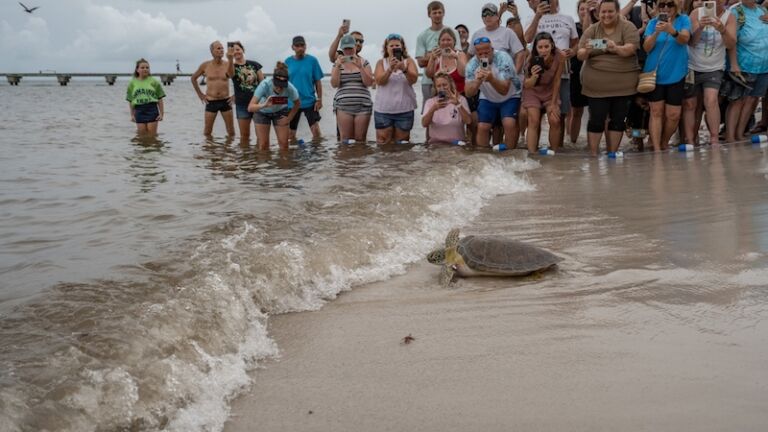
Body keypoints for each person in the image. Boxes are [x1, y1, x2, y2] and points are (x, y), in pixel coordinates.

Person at [577, 0, 641, 156]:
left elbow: (631, 49)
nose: (606, 15)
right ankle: (593, 154)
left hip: (623, 83)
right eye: (603, 12)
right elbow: (580, 53)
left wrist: (615, 47)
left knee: (618, 120)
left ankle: (612, 153)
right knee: (596, 120)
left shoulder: (628, 27)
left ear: (617, 11)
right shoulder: (592, 30)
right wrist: (586, 51)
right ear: (598, 13)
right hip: (596, 86)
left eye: (610, 11)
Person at [524, 0, 579, 148]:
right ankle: (533, 152)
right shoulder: (532, 18)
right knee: (534, 118)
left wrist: (572, 52)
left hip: (561, 69)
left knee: (557, 116)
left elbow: (576, 42)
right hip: (536, 74)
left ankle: (556, 154)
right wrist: (537, 16)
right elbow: (527, 39)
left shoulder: (567, 18)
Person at [682, 0, 735, 146]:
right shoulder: (696, 13)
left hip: (715, 67)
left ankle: (714, 138)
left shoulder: (729, 16)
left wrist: (722, 29)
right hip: (692, 66)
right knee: (690, 104)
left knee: (711, 101)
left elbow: (731, 44)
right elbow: (691, 42)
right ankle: (690, 140)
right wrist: (700, 26)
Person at [642, 0, 691, 151]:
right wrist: (657, 32)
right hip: (654, 74)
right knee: (656, 112)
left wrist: (672, 30)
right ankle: (657, 149)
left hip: (677, 73)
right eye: (662, 4)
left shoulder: (684, 20)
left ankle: (664, 142)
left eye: (670, 4)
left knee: (674, 114)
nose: (665, 8)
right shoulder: (652, 23)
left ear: (676, 6)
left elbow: (685, 39)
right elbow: (646, 47)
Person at [465, 37, 522, 149]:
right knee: (482, 126)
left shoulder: (503, 58)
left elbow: (504, 90)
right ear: (475, 53)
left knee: (509, 123)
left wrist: (491, 79)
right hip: (487, 97)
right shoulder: (471, 65)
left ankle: (510, 154)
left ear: (492, 49)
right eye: (480, 53)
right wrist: (477, 81)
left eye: (486, 52)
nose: (483, 56)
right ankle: (484, 157)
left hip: (510, 95)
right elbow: (468, 93)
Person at [723, 0, 768, 142]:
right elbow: (732, 40)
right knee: (737, 101)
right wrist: (734, 64)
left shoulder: (763, 11)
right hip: (744, 64)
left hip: (763, 64)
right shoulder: (736, 12)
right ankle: (731, 136)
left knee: (753, 99)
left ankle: (740, 133)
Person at [374, 34, 419, 143]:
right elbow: (379, 81)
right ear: (386, 48)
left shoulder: (409, 61)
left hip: (405, 109)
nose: (394, 47)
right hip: (383, 110)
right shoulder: (381, 62)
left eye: (397, 45)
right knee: (383, 143)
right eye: (391, 45)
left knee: (402, 144)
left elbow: (413, 80)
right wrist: (390, 69)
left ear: (402, 47)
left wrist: (403, 69)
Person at [522, 32, 564, 152]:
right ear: (535, 48)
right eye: (540, 47)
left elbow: (557, 80)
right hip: (533, 91)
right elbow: (526, 84)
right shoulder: (530, 60)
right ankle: (532, 154)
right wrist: (534, 76)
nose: (543, 50)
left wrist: (554, 103)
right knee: (533, 120)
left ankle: (553, 153)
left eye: (546, 46)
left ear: (552, 45)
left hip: (550, 90)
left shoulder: (560, 56)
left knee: (555, 119)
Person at [415, 1, 461, 106]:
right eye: (434, 12)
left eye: (440, 12)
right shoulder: (422, 36)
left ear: (444, 13)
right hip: (428, 82)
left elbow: (458, 54)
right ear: (429, 14)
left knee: (454, 110)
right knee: (430, 110)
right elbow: (420, 62)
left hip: (451, 80)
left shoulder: (453, 32)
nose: (437, 15)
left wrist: (430, 54)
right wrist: (433, 56)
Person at [331, 34, 375, 143]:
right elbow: (334, 84)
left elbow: (369, 82)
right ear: (342, 49)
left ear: (355, 47)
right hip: (343, 106)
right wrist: (337, 66)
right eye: (345, 48)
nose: (348, 51)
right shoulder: (338, 63)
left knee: (360, 140)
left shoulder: (364, 62)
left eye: (350, 48)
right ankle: (346, 160)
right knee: (345, 140)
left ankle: (359, 160)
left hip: (363, 105)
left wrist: (360, 67)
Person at [248, 63, 301, 151]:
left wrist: (288, 118)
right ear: (273, 80)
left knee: (284, 145)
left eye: (282, 86)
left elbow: (297, 104)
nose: (279, 88)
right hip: (262, 113)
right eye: (277, 84)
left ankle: (283, 163)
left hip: (280, 111)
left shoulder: (291, 88)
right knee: (264, 145)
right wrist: (264, 105)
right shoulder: (264, 85)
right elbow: (250, 107)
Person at [191, 41, 236, 137]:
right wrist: (200, 95)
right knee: (207, 132)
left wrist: (235, 95)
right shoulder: (205, 65)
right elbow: (193, 78)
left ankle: (229, 151)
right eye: (218, 48)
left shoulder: (228, 64)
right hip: (211, 101)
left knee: (231, 132)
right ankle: (209, 151)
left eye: (222, 48)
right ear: (212, 51)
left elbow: (236, 79)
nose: (222, 50)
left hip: (226, 101)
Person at [285, 36, 324, 141]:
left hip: (309, 101)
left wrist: (319, 100)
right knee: (290, 136)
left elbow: (318, 81)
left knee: (316, 133)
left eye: (302, 45)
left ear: (306, 46)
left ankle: (317, 155)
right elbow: (284, 83)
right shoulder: (287, 62)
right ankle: (292, 155)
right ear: (293, 47)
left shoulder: (312, 61)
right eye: (297, 46)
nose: (300, 48)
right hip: (292, 103)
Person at [227, 42, 263, 145]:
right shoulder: (231, 66)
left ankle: (259, 158)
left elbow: (262, 83)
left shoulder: (255, 65)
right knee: (244, 136)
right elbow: (230, 74)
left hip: (257, 103)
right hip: (242, 105)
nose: (236, 52)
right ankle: (245, 159)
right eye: (233, 50)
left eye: (238, 49)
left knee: (260, 134)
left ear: (243, 50)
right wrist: (229, 59)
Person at [421, 72, 472, 143]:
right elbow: (424, 124)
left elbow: (468, 121)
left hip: (456, 144)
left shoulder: (461, 100)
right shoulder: (430, 102)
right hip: (436, 144)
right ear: (435, 88)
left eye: (444, 85)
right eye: (439, 86)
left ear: (450, 85)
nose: (442, 88)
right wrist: (433, 109)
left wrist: (458, 104)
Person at [567, 0, 592, 145]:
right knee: (576, 111)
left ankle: (591, 145)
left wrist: (589, 13)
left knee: (595, 112)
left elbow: (588, 33)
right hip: (576, 72)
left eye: (586, 9)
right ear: (577, 11)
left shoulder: (597, 26)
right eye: (582, 9)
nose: (584, 11)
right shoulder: (573, 28)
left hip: (594, 72)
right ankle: (573, 144)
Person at [126, 58, 165, 136]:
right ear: (137, 70)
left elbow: (160, 99)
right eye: (142, 67)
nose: (145, 69)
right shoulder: (132, 83)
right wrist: (132, 115)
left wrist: (161, 114)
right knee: (141, 136)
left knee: (152, 136)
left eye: (147, 67)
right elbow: (130, 100)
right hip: (139, 110)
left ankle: (153, 148)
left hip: (152, 109)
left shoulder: (154, 82)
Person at [425, 29, 468, 95]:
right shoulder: (436, 56)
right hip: (441, 96)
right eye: (443, 40)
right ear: (439, 42)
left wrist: (456, 57)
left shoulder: (460, 54)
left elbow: (464, 73)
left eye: (448, 40)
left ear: (454, 41)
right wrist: (432, 59)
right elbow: (429, 75)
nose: (445, 43)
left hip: (459, 96)